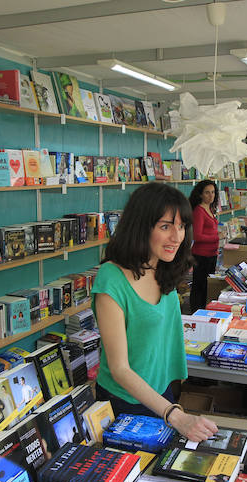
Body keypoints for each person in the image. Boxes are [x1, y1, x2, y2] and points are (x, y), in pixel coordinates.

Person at [92, 183, 218, 442]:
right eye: (165, 226)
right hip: (126, 402)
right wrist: (174, 414)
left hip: (163, 394)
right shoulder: (111, 280)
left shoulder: (163, 266)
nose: (177, 236)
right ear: (141, 226)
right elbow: (119, 369)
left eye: (182, 226)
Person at [189, 179, 220, 312]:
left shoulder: (210, 208)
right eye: (207, 193)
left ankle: (203, 311)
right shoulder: (199, 211)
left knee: (207, 286)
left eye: (213, 192)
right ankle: (196, 312)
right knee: (199, 286)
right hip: (201, 255)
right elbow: (197, 236)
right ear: (200, 194)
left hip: (211, 254)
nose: (211, 195)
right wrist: (217, 237)